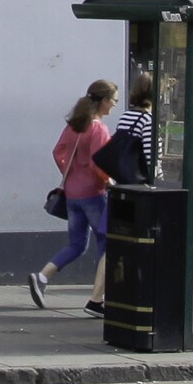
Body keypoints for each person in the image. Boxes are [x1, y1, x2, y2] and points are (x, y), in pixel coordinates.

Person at [30, 79, 116, 315]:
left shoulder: (75, 125)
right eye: (114, 100)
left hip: (72, 193)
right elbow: (99, 161)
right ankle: (98, 299)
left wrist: (71, 172)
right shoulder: (98, 128)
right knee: (107, 244)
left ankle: (42, 276)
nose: (114, 106)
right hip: (94, 194)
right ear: (104, 101)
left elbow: (58, 152)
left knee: (77, 244)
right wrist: (108, 180)